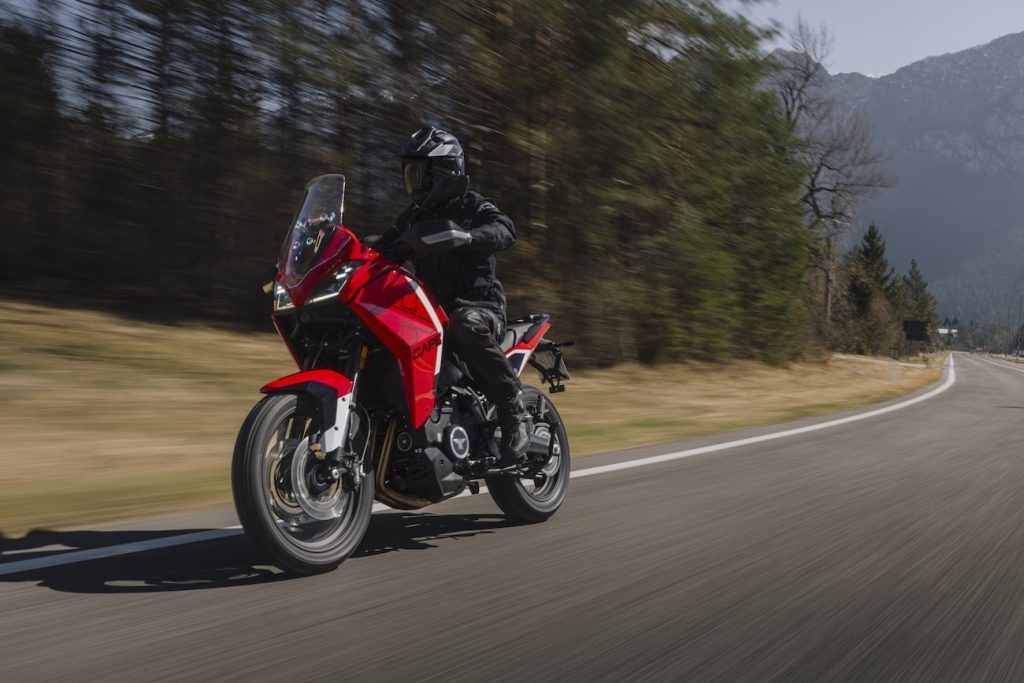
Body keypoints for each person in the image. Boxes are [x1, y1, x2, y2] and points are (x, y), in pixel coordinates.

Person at [374, 126, 530, 464]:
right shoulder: (412, 219)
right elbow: (378, 251)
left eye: (419, 173)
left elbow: (506, 230)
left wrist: (468, 237)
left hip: (481, 308)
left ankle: (512, 407)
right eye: (409, 173)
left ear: (443, 173)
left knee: (464, 323)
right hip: (431, 315)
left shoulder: (471, 205)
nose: (412, 182)